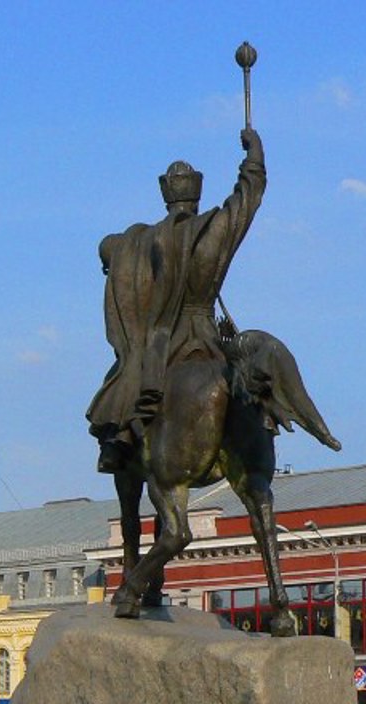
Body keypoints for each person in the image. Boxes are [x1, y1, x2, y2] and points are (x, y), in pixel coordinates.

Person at [88, 127, 266, 472]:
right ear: (196, 197)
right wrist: (254, 156)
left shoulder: (138, 241)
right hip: (209, 338)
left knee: (123, 378)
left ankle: (117, 443)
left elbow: (108, 248)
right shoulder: (214, 230)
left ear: (166, 197)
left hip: (162, 343)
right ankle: (263, 431)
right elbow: (247, 199)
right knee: (251, 386)